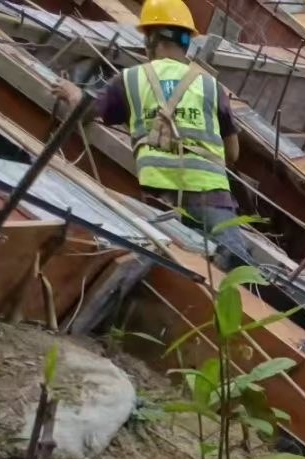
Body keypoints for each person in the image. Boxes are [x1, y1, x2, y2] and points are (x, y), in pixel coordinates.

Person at [54, 0, 251, 267]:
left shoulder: (131, 79)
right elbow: (233, 154)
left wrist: (71, 92)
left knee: (166, 262)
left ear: (153, 38)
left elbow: (86, 110)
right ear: (186, 41)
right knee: (237, 268)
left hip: (159, 196)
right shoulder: (211, 86)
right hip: (211, 195)